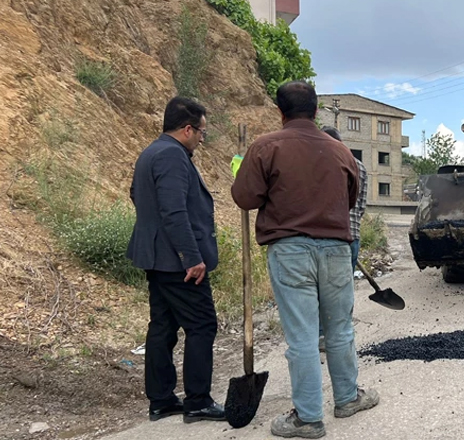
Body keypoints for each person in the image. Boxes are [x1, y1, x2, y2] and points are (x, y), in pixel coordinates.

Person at [231, 81, 379, 438]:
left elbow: (245, 198)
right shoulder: (342, 152)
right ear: (316, 111)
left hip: (290, 250)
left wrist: (242, 172)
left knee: (303, 335)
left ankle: (309, 418)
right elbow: (349, 199)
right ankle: (347, 398)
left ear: (280, 112)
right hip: (336, 249)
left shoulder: (266, 147)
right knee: (340, 328)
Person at [127, 96, 226, 423]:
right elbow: (174, 212)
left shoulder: (151, 152)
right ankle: (197, 401)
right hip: (177, 261)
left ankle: (161, 399)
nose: (202, 137)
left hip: (157, 258)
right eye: (201, 132)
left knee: (164, 326)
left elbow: (137, 196)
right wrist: (191, 257)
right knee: (202, 325)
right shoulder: (172, 156)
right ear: (187, 129)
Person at [321, 126, 368, 271]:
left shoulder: (323, 164)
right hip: (352, 235)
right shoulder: (360, 166)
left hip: (328, 237)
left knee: (324, 289)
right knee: (346, 288)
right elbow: (361, 207)